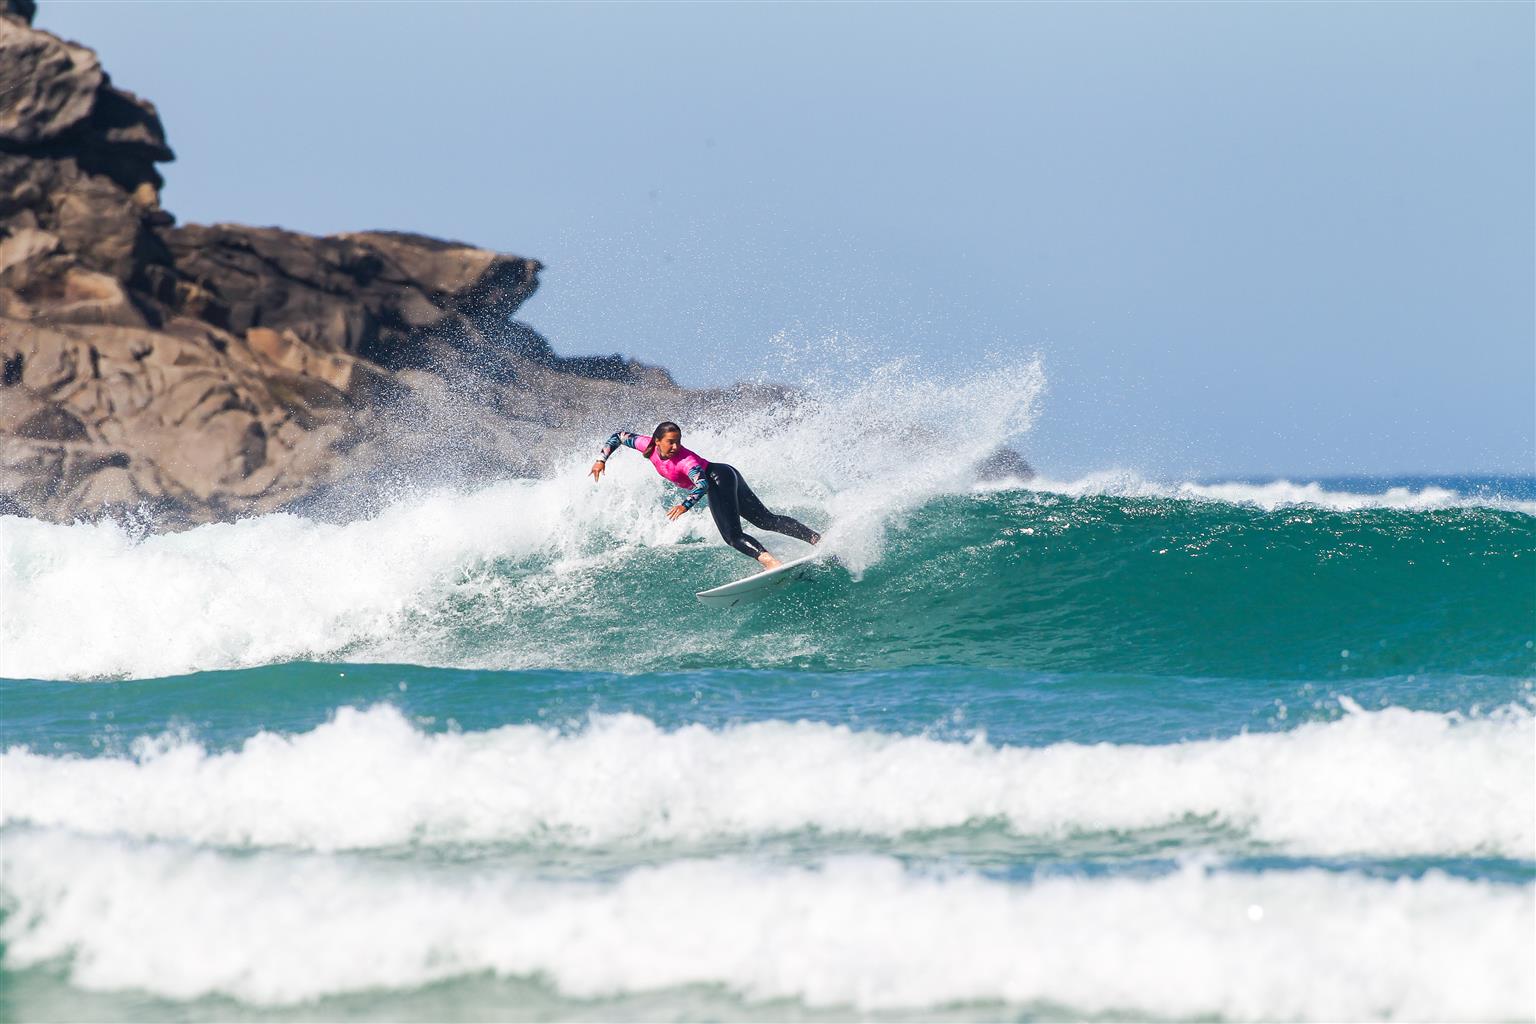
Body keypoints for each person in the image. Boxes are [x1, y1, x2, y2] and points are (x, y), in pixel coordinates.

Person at [589, 421, 820, 571]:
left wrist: (685, 505)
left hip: (718, 478)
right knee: (764, 520)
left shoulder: (685, 460)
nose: (676, 446)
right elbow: (618, 436)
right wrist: (601, 460)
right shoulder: (645, 444)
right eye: (671, 441)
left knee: (732, 536)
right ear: (657, 440)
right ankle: (815, 538)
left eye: (679, 441)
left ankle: (770, 562)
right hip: (727, 473)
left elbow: (701, 483)